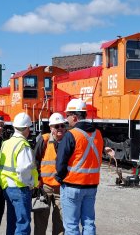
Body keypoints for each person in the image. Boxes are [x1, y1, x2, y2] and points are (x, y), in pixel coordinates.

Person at [55, 99, 106, 235]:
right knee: (89, 223)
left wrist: (60, 178)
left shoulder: (71, 135)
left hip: (72, 185)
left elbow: (60, 162)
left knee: (71, 225)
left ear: (74, 117)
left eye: (67, 116)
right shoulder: (98, 134)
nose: (66, 119)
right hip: (91, 186)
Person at [0, 112, 38, 235]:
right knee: (23, 225)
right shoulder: (23, 144)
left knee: (12, 222)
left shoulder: (6, 143)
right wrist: (31, 183)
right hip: (20, 188)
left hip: (7, 187)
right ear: (27, 128)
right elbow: (23, 170)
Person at [34, 113, 67, 235]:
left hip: (62, 188)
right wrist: (37, 180)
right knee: (40, 222)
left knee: (60, 222)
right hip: (45, 187)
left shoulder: (69, 140)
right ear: (51, 127)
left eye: (62, 126)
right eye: (56, 126)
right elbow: (35, 160)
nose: (60, 129)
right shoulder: (44, 140)